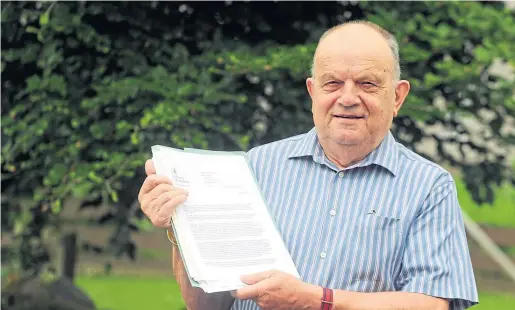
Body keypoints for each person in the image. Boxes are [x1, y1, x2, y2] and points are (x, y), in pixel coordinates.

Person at [138, 20, 479, 310]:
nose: (347, 98)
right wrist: (180, 229)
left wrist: (317, 300)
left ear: (398, 96)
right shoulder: (254, 168)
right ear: (312, 91)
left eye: (367, 83)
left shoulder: (429, 186)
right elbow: (204, 304)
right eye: (332, 83)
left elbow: (434, 303)